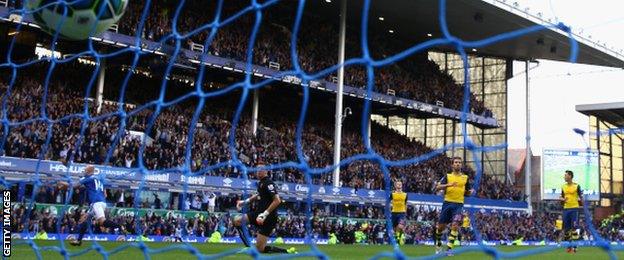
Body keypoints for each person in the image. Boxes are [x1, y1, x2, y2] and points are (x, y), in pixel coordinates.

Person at [233, 162, 297, 254]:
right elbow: (257, 195)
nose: (258, 172)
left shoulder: (268, 183)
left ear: (266, 171)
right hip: (258, 213)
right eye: (257, 170)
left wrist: (264, 214)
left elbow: (277, 200)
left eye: (261, 170)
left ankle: (286, 251)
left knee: (260, 250)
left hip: (268, 217)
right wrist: (244, 202)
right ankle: (248, 247)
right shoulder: (261, 183)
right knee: (237, 221)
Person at [57, 165, 125, 246]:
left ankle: (120, 226)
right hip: (102, 202)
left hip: (96, 203)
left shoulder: (87, 178)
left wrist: (61, 182)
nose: (84, 171)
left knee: (102, 222)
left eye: (85, 170)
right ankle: (79, 240)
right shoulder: (98, 179)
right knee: (86, 221)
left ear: (89, 171)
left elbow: (74, 186)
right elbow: (105, 194)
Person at [432, 157, 474, 256]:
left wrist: (470, 192)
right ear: (452, 165)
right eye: (456, 162)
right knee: (440, 228)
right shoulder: (447, 176)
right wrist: (448, 185)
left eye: (459, 162)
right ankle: (438, 244)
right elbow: (437, 187)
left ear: (461, 165)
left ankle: (449, 249)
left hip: (459, 204)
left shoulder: (465, 178)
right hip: (447, 203)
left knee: (455, 225)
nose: (458, 164)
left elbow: (467, 193)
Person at [560, 170, 582, 253]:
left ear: (570, 176)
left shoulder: (577, 186)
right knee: (566, 229)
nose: (564, 177)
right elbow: (561, 199)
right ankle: (569, 247)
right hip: (566, 209)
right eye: (564, 175)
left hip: (574, 209)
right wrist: (562, 199)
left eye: (565, 175)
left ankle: (575, 246)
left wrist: (581, 202)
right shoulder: (563, 186)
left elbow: (581, 197)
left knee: (575, 228)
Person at [390, 180, 407, 245]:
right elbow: (388, 202)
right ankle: (398, 237)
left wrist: (406, 212)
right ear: (395, 186)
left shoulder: (405, 194)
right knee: (394, 229)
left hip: (402, 213)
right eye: (398, 184)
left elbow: (406, 204)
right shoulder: (392, 194)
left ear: (402, 185)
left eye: (400, 184)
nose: (399, 185)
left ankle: (398, 239)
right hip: (394, 212)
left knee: (400, 226)